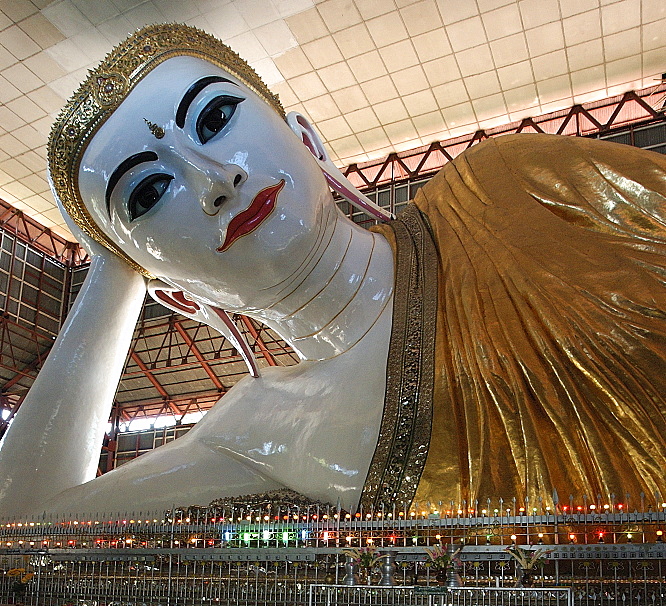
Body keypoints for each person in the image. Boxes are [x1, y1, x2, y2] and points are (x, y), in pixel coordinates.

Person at [0, 21, 664, 519]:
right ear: (175, 293)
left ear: (310, 142)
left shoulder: (504, 191)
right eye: (147, 194)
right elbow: (23, 533)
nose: (215, 180)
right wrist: (115, 273)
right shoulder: (258, 426)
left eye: (216, 116)